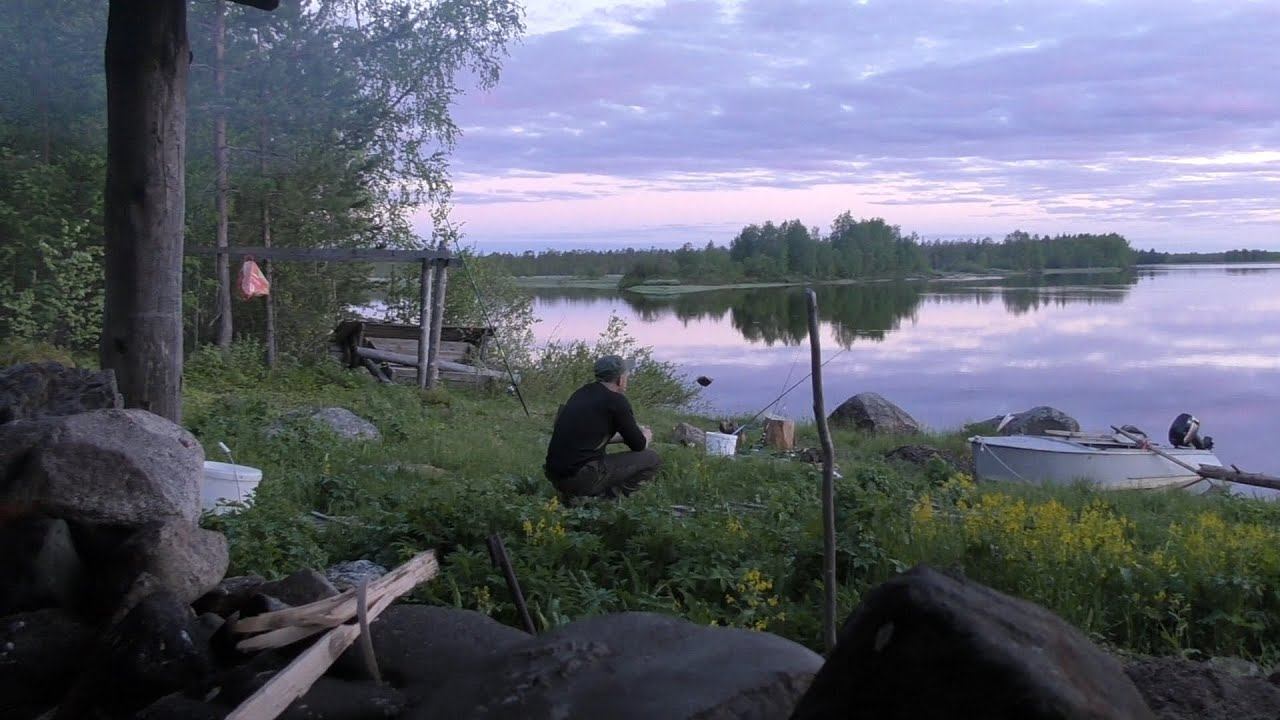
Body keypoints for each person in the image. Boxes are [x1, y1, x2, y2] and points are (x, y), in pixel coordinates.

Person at [543, 354, 661, 501]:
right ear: (620, 379)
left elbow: (588, 435)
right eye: (627, 374)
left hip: (555, 474)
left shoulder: (582, 392)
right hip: (579, 477)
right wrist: (646, 435)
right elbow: (639, 445)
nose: (628, 377)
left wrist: (625, 437)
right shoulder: (616, 401)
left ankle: (574, 494)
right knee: (651, 458)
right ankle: (606, 499)